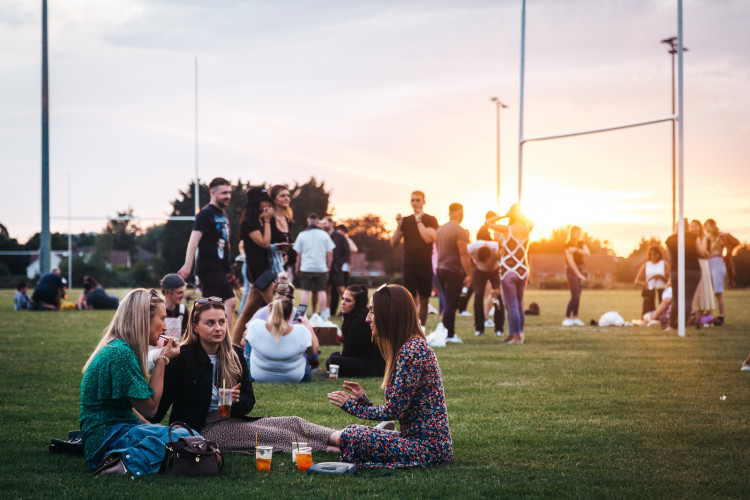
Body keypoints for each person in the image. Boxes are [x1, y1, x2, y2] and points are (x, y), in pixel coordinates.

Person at [151, 296, 339, 454]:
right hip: (201, 429)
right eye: (210, 323)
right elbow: (161, 405)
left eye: (222, 322)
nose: (218, 328)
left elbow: (249, 401)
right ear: (195, 327)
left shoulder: (235, 355)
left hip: (231, 419)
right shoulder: (182, 357)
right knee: (274, 436)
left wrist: (235, 402)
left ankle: (341, 437)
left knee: (291, 422)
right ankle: (333, 449)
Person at [326, 284, 452, 468]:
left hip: (429, 450)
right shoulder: (408, 348)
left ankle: (342, 448)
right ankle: (339, 447)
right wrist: (364, 401)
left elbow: (395, 410)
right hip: (415, 441)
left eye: (373, 311)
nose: (368, 318)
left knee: (352, 434)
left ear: (390, 314)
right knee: (353, 432)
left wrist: (353, 406)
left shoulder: (413, 351)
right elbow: (400, 408)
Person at [79, 288, 187, 477]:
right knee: (183, 438)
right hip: (106, 441)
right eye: (162, 319)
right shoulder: (121, 354)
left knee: (181, 434)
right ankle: (123, 464)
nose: (164, 327)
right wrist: (162, 359)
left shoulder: (119, 347)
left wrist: (154, 428)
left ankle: (128, 460)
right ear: (143, 319)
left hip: (110, 434)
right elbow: (150, 408)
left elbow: (127, 409)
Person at [178, 177, 236, 331]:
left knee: (208, 308)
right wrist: (188, 264)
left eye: (229, 192)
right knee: (230, 302)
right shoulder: (205, 214)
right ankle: (227, 343)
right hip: (209, 267)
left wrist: (227, 269)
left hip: (220, 268)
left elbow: (225, 244)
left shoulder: (223, 214)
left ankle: (199, 336)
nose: (228, 196)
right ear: (213, 193)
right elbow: (193, 241)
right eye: (224, 193)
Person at [232, 187, 277, 345]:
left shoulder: (260, 220)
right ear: (255, 203)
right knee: (279, 307)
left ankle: (233, 345)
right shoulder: (248, 223)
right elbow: (265, 243)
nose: (266, 204)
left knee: (247, 313)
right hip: (258, 271)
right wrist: (266, 221)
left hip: (265, 269)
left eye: (268, 201)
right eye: (263, 201)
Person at [485, 204, 534, 344]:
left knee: (511, 305)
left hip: (509, 270)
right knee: (519, 304)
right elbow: (532, 223)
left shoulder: (507, 229)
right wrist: (520, 215)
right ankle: (515, 334)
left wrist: (505, 216)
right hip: (523, 270)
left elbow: (488, 223)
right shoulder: (527, 229)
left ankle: (517, 336)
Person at [244, 294, 320, 383]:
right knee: (305, 345)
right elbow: (313, 353)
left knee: (249, 340)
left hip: (257, 376)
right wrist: (307, 324)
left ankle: (245, 371)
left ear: (270, 309)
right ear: (291, 314)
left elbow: (245, 338)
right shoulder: (301, 331)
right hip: (295, 377)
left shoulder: (255, 325)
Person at [390, 191, 439, 327]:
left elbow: (429, 238)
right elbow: (393, 242)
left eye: (418, 200)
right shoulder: (406, 220)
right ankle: (412, 328)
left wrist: (418, 220)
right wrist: (398, 224)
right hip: (409, 264)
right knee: (411, 299)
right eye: (413, 200)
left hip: (425, 264)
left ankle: (421, 329)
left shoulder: (431, 219)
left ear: (424, 202)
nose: (415, 203)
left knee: (424, 300)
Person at [326, 285, 385, 378]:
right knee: (334, 356)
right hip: (363, 358)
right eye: (343, 299)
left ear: (357, 303)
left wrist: (343, 355)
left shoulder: (360, 320)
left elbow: (349, 351)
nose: (343, 303)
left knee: (332, 360)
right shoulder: (355, 316)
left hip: (371, 365)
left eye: (348, 300)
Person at [435, 203, 472, 343]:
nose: (463, 216)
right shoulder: (460, 231)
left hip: (440, 269)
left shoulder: (440, 230)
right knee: (451, 304)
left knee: (448, 303)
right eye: (461, 213)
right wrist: (469, 273)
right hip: (453, 270)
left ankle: (446, 332)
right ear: (455, 212)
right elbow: (463, 253)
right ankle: (449, 335)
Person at [665, 220, 707, 330]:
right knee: (688, 298)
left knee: (676, 298)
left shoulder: (670, 239)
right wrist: (707, 253)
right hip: (693, 270)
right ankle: (683, 324)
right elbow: (702, 252)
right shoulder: (693, 237)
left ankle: (671, 325)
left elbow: (669, 257)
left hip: (676, 270)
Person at [293, 213, 335, 320]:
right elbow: (330, 253)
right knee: (322, 291)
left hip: (306, 267)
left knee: (305, 291)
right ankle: (324, 316)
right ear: (317, 222)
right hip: (321, 268)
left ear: (308, 221)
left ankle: (301, 315)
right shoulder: (324, 235)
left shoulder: (302, 235)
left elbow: (298, 255)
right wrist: (328, 265)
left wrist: (297, 267)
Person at [467, 225, 503, 337]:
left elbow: (503, 263)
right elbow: (464, 256)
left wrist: (498, 286)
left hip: (495, 270)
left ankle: (499, 329)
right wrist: (472, 269)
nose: (486, 264)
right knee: (478, 296)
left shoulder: (496, 248)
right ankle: (479, 328)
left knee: (498, 296)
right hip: (478, 271)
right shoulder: (471, 247)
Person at [322, 217, 351, 316]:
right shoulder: (323, 235)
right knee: (326, 290)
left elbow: (347, 251)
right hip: (325, 267)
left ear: (331, 223)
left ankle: (350, 310)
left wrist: (340, 263)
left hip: (336, 268)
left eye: (325, 223)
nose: (323, 225)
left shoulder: (339, 236)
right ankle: (327, 312)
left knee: (341, 290)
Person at [562, 226, 589, 326]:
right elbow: (571, 262)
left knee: (578, 296)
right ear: (572, 233)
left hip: (581, 269)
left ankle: (575, 317)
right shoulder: (567, 245)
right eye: (577, 232)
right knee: (575, 295)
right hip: (571, 270)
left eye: (580, 232)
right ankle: (567, 317)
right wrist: (579, 275)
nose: (579, 234)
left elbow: (587, 253)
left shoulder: (581, 244)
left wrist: (577, 250)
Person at [268, 184, 296, 280]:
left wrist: (289, 256)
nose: (286, 198)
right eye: (282, 196)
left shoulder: (288, 220)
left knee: (284, 293)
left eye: (288, 195)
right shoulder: (269, 219)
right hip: (270, 265)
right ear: (274, 199)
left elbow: (289, 241)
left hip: (284, 265)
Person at [634, 245, 671, 317]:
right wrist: (645, 284)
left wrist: (661, 277)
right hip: (650, 291)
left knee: (662, 310)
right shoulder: (646, 265)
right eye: (651, 254)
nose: (652, 256)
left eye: (654, 254)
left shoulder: (664, 264)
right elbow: (636, 281)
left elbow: (670, 280)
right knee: (647, 312)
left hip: (662, 290)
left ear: (659, 254)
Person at [705, 219, 729, 325]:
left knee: (718, 292)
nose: (707, 228)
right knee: (708, 289)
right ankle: (708, 313)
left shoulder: (721, 236)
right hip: (708, 261)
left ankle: (721, 316)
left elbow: (732, 242)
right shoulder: (707, 237)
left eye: (708, 226)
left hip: (717, 261)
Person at [689, 220, 714, 318]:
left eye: (695, 226)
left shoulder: (705, 238)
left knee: (704, 286)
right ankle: (696, 311)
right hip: (693, 264)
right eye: (691, 226)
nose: (693, 228)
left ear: (699, 227)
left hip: (703, 264)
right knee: (696, 288)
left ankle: (706, 311)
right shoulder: (690, 239)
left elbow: (706, 253)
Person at [160, 273, 189, 339]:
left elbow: (187, 336)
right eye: (179, 292)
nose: (183, 296)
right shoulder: (156, 312)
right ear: (166, 293)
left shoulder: (183, 310)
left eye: (183, 292)